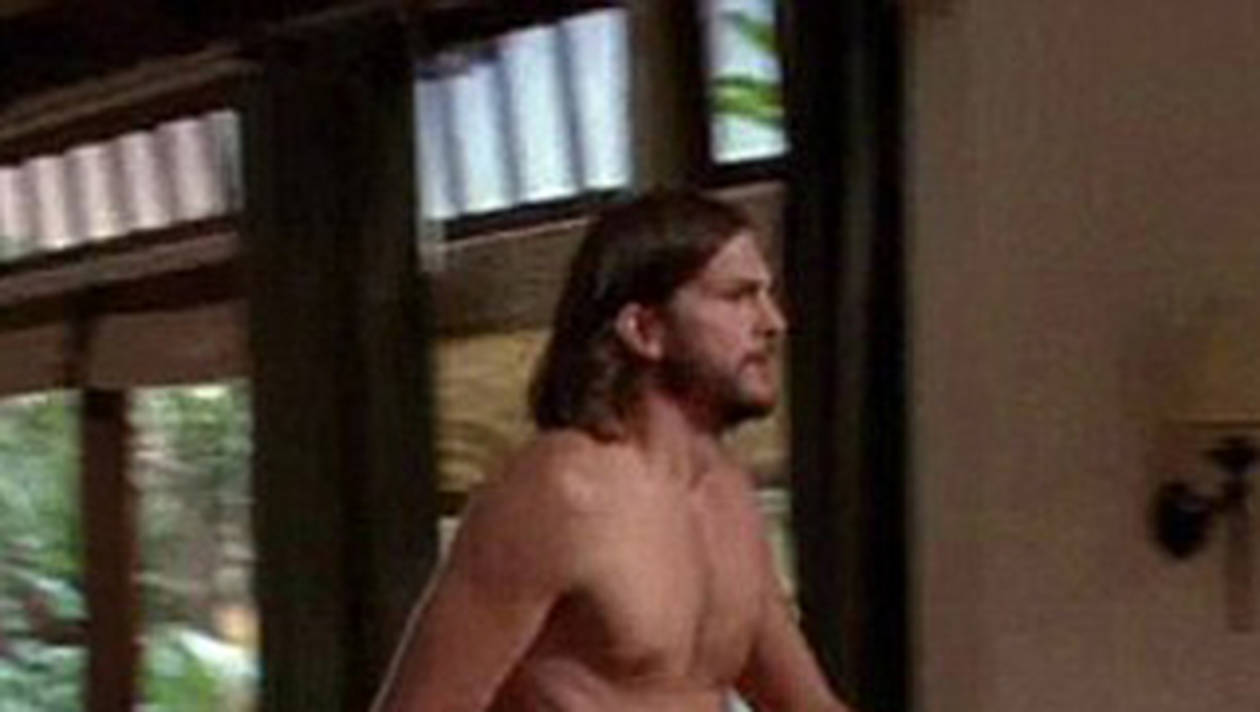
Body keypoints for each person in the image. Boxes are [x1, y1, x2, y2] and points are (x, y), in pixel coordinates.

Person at [373, 189, 853, 712]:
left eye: (766, 294)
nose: (773, 322)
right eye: (738, 297)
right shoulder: (559, 491)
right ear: (644, 330)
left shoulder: (728, 497)